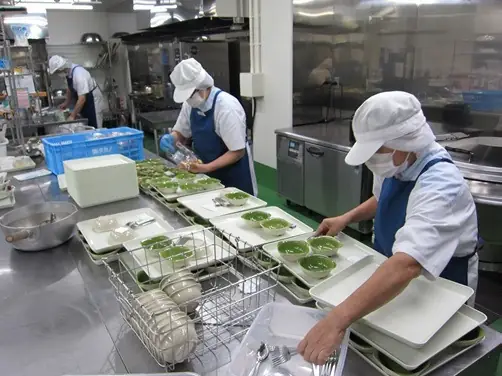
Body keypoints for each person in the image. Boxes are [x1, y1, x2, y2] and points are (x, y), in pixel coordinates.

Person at [298, 91, 479, 365]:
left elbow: (407, 265)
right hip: (394, 283)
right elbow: (383, 198)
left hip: (439, 289)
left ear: (404, 142)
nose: (372, 160)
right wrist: (346, 217)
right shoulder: (399, 163)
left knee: (431, 359)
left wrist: (337, 319)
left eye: (377, 151)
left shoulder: (443, 185)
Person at [160, 58, 257, 195]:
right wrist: (171, 138)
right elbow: (181, 132)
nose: (188, 99)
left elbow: (237, 151)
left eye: (190, 94)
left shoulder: (226, 107)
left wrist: (205, 168)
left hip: (233, 176)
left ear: (203, 86)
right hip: (205, 172)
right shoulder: (190, 104)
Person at [48, 55, 106, 128]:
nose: (57, 74)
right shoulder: (68, 73)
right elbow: (70, 88)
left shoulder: (79, 74)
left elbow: (82, 99)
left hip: (93, 101)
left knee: (95, 127)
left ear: (62, 68)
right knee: (87, 125)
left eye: (57, 71)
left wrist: (72, 116)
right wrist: (66, 102)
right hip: (85, 100)